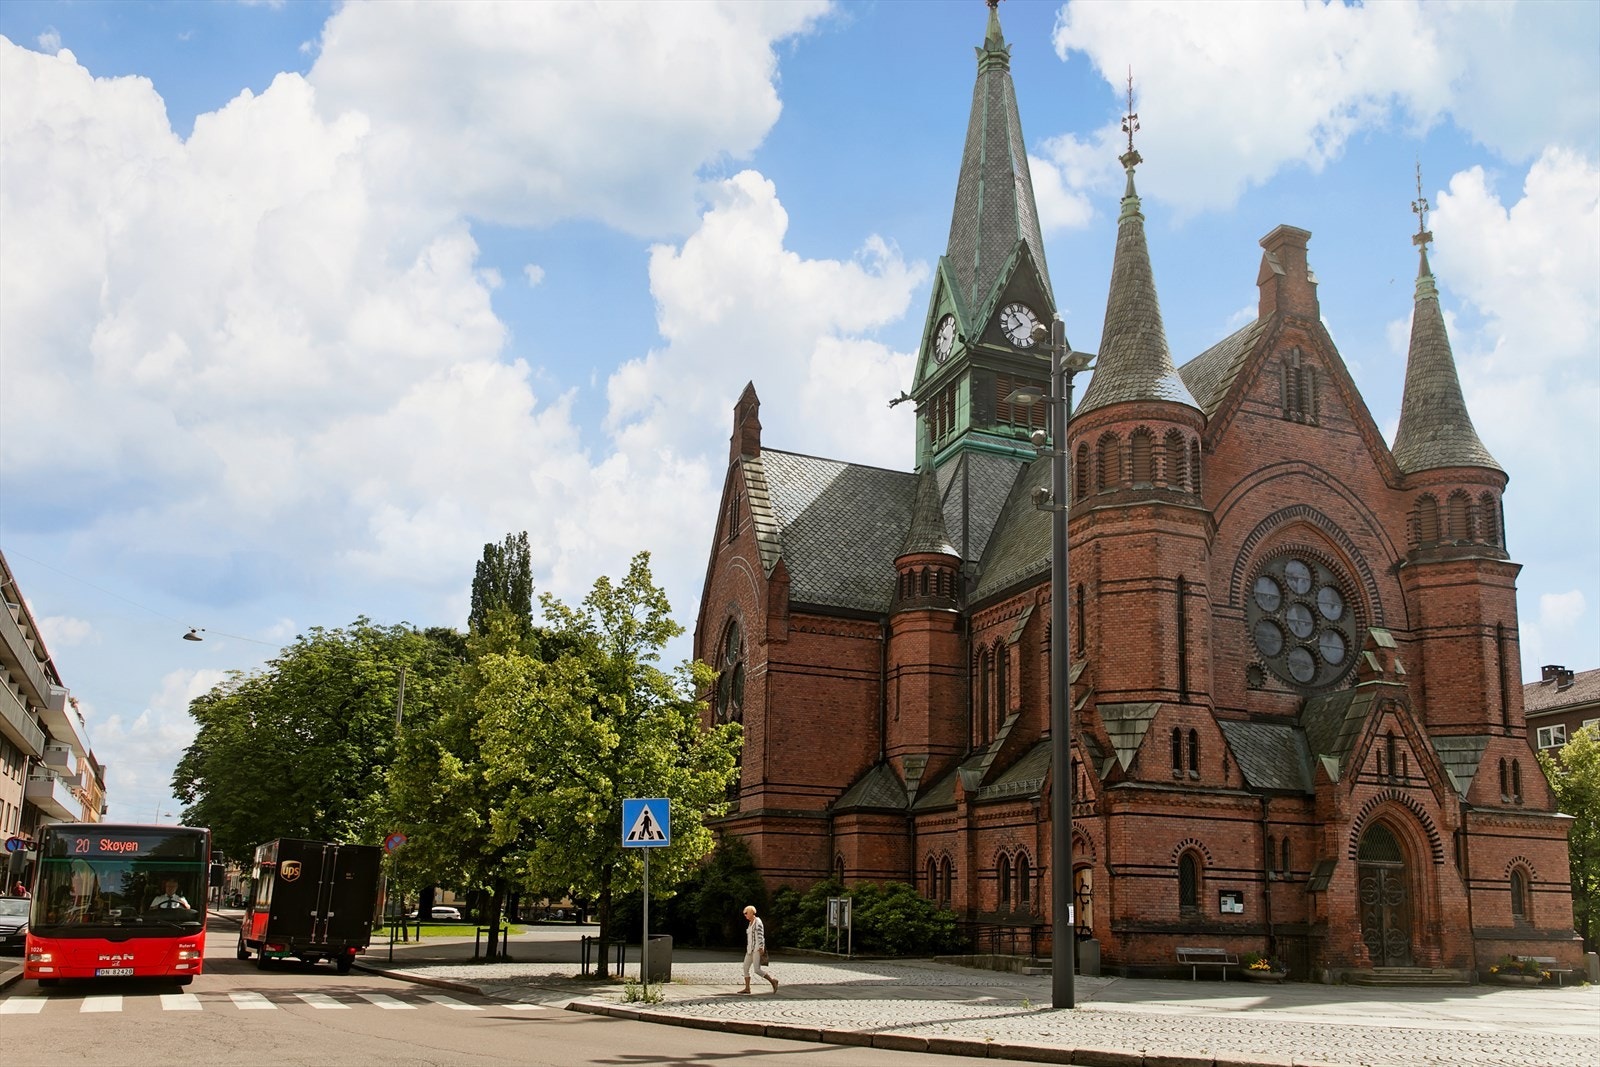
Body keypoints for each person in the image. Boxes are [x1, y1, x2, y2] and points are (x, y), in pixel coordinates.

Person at [739, 904, 777, 994]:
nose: (745, 915)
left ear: (751, 913)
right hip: (750, 950)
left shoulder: (758, 922)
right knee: (745, 967)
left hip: (756, 949)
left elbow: (760, 935)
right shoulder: (750, 923)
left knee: (757, 970)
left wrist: (761, 947)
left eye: (746, 913)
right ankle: (747, 988)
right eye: (744, 913)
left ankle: (773, 981)